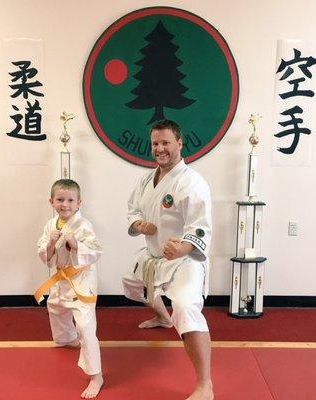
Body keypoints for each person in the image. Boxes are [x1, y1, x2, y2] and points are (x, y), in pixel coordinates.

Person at [122, 120, 214, 400]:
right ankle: (162, 317)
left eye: (165, 143)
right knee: (132, 283)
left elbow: (201, 227)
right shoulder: (146, 179)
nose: (159, 149)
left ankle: (205, 385)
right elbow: (133, 209)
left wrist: (183, 248)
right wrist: (139, 224)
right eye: (155, 144)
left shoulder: (192, 183)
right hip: (153, 256)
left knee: (185, 308)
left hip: (184, 261)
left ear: (179, 144)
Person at [37, 179, 103, 399]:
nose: (65, 204)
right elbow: (43, 254)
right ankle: (67, 339)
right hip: (61, 278)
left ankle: (96, 376)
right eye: (60, 200)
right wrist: (49, 244)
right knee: (55, 307)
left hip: (81, 279)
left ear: (79, 203)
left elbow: (96, 252)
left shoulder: (84, 226)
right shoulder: (50, 225)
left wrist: (76, 245)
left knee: (85, 325)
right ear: (52, 201)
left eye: (70, 200)